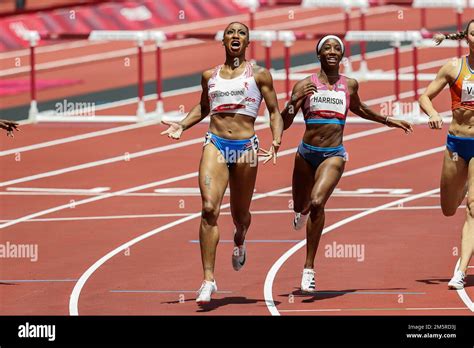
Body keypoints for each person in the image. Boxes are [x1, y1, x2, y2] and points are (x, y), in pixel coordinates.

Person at [161, 22, 283, 303]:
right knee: (208, 208)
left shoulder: (260, 75)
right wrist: (182, 125)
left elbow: (275, 111)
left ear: (248, 41)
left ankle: (240, 238)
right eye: (231, 32)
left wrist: (276, 140)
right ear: (224, 41)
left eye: (241, 33)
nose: (236, 36)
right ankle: (208, 280)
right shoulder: (210, 76)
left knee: (241, 215)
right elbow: (204, 106)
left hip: (246, 149)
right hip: (215, 144)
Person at [282, 34, 413, 293]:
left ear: (342, 56)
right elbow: (285, 122)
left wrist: (388, 120)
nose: (332, 51)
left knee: (318, 202)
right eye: (327, 48)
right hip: (305, 154)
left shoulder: (349, 85)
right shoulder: (304, 84)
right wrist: (294, 102)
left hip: (333, 155)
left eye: (337, 49)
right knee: (301, 205)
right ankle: (301, 210)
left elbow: (360, 109)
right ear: (318, 55)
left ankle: (308, 268)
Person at [419, 20, 474, 289]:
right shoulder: (454, 68)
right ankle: (462, 186)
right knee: (448, 208)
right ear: (467, 37)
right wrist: (432, 114)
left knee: (473, 208)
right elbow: (425, 96)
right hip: (456, 142)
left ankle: (460, 271)